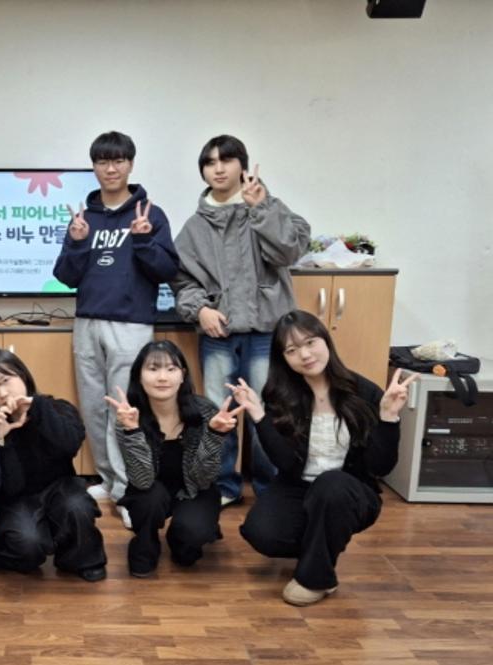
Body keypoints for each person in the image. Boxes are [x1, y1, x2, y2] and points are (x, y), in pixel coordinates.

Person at [234, 310, 413, 606]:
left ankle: (316, 578)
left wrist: (388, 417)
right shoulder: (280, 395)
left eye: (310, 342)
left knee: (331, 485)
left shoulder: (364, 392)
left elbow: (380, 467)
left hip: (350, 491)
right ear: (283, 358)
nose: (304, 355)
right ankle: (321, 547)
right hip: (298, 486)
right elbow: (286, 463)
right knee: (261, 533)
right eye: (292, 350)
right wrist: (259, 416)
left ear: (326, 341)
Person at [171, 134, 311, 507]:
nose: (218, 169)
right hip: (218, 334)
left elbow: (290, 251)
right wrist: (201, 310)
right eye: (210, 162)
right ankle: (222, 486)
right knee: (219, 411)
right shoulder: (194, 227)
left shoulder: (268, 206)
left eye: (226, 160)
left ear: (242, 166)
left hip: (267, 332)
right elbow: (181, 281)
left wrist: (261, 209)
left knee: (270, 411)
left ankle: (272, 488)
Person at [53, 130, 179, 528]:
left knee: (123, 410)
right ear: (93, 166)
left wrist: (143, 241)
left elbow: (166, 269)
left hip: (131, 324)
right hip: (87, 322)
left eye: (118, 160)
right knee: (94, 407)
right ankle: (109, 480)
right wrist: (77, 242)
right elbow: (65, 276)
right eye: (103, 161)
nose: (111, 168)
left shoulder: (150, 214)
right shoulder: (84, 217)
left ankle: (129, 490)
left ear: (131, 164)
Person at [105, 340, 241, 577]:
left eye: (171, 369)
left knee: (188, 549)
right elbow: (142, 480)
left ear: (182, 375)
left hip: (195, 489)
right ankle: (145, 544)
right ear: (139, 376)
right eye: (153, 369)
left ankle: (189, 531)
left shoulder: (205, 411)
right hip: (150, 491)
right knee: (148, 499)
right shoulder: (129, 416)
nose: (162, 377)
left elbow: (203, 479)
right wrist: (132, 431)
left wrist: (214, 435)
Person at [0, 349, 107, 581]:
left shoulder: (56, 407)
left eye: (5, 380)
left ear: (23, 375)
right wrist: (1, 441)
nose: (2, 393)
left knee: (77, 506)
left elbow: (69, 445)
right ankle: (1, 553)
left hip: (61, 485)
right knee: (27, 544)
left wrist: (36, 408)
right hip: (18, 498)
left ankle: (82, 559)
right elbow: (11, 487)